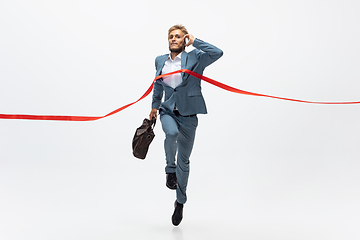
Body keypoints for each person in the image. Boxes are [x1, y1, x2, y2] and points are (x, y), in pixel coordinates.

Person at [149, 24, 223, 226]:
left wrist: (195, 41)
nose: (174, 39)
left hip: (189, 114)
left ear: (184, 40)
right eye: (171, 36)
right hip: (167, 111)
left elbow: (218, 53)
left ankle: (180, 201)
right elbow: (157, 84)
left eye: (178, 36)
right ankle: (169, 169)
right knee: (170, 133)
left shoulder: (196, 58)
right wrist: (155, 107)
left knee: (185, 161)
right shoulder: (160, 60)